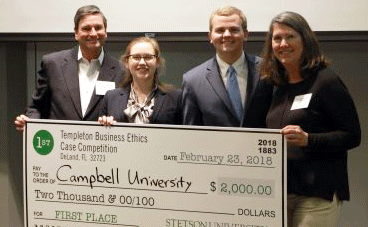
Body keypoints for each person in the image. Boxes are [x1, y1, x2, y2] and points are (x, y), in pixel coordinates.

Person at [260, 11, 361, 227]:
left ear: (305, 39)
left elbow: (352, 136)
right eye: (277, 38)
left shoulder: (326, 81)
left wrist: (309, 139)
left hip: (317, 193)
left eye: (290, 37)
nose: (283, 44)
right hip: (280, 192)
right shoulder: (275, 85)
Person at [14, 5, 123, 132]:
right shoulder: (53, 64)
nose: (93, 33)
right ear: (76, 33)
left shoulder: (121, 70)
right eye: (86, 28)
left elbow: (123, 114)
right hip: (61, 146)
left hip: (101, 146)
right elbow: (36, 108)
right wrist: (31, 123)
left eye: (98, 28)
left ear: (106, 31)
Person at [182, 5, 273, 127]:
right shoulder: (193, 80)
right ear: (210, 37)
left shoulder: (267, 69)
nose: (227, 35)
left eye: (234, 30)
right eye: (220, 30)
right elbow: (191, 131)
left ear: (245, 34)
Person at [98, 37, 181, 125]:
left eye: (148, 57)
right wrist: (105, 124)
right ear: (127, 62)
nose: (142, 62)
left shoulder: (175, 98)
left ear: (157, 62)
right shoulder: (111, 97)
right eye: (136, 57)